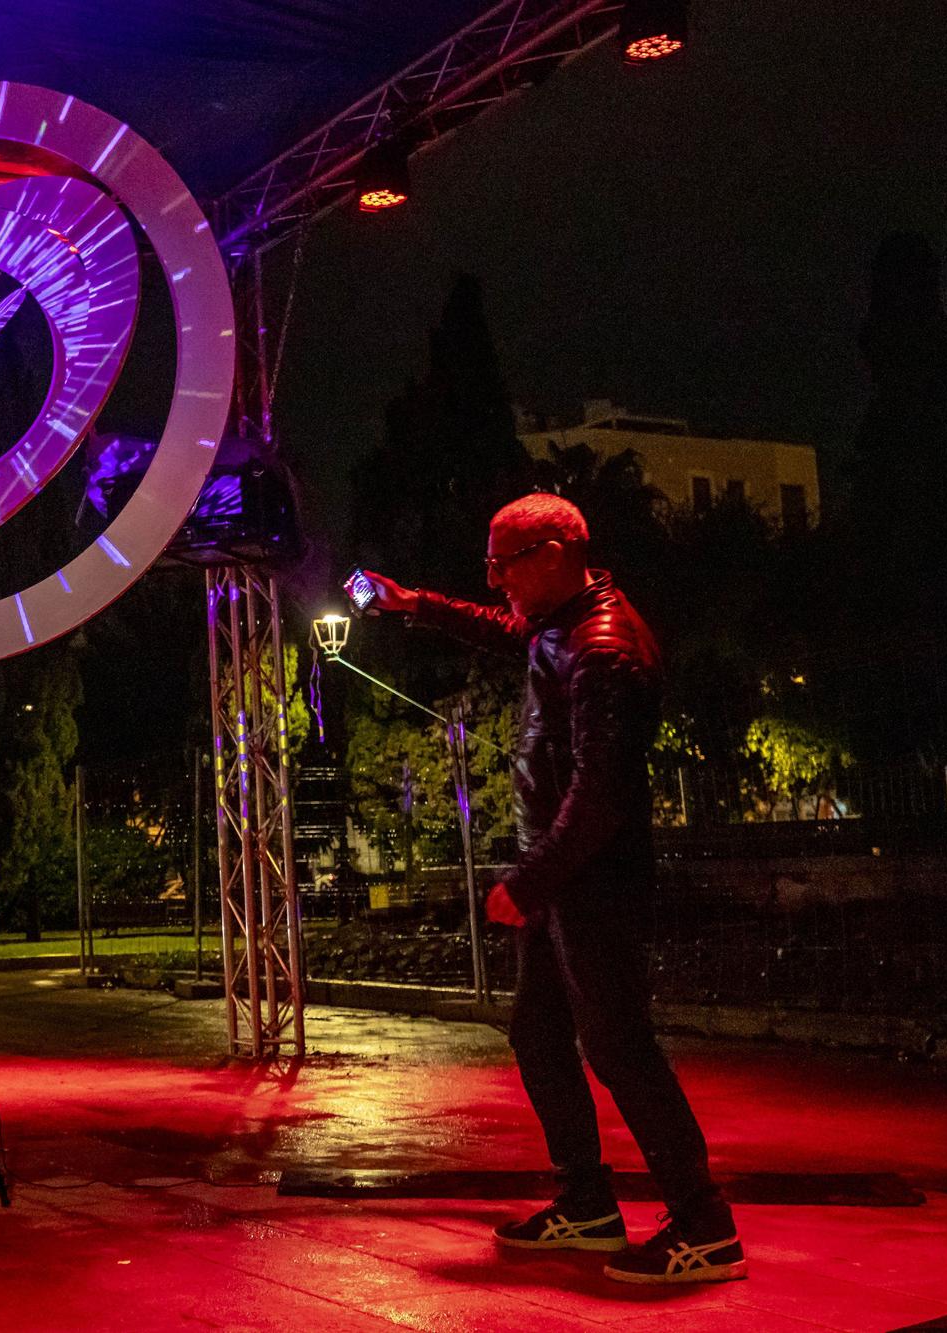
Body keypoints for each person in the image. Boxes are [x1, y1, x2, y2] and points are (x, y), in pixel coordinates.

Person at [357, 493, 745, 1285]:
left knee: (618, 1045)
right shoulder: (562, 621)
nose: (494, 578)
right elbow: (504, 630)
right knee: (539, 1035)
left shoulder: (604, 646)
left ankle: (705, 1223)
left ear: (555, 552)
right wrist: (416, 604)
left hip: (592, 881)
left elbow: (599, 794)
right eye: (489, 562)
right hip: (566, 879)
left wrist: (532, 881)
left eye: (503, 562)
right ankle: (589, 1202)